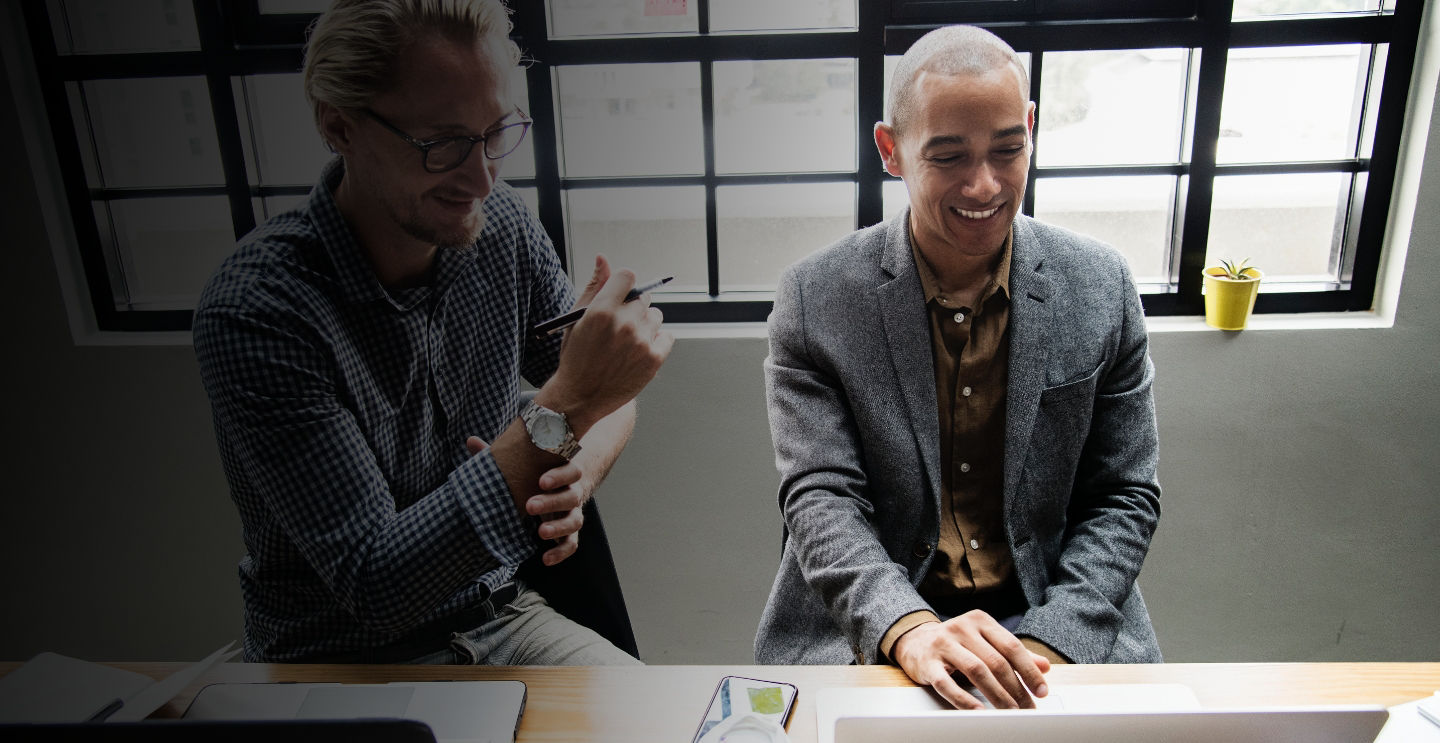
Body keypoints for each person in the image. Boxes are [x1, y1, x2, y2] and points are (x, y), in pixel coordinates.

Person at [193, 0, 672, 664]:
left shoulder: (498, 226)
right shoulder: (259, 310)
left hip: (502, 613)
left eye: (495, 132)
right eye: (442, 143)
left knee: (666, 721)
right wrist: (567, 402)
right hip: (337, 655)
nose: (480, 178)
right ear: (340, 127)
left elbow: (602, 395)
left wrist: (579, 474)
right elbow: (379, 585)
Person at [754, 25, 1162, 709]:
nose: (986, 184)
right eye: (948, 156)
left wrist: (1038, 651)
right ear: (891, 150)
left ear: (1031, 128)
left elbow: (1124, 495)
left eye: (1009, 148)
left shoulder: (1102, 285)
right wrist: (909, 628)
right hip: (880, 625)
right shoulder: (814, 299)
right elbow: (821, 499)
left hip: (1054, 618)